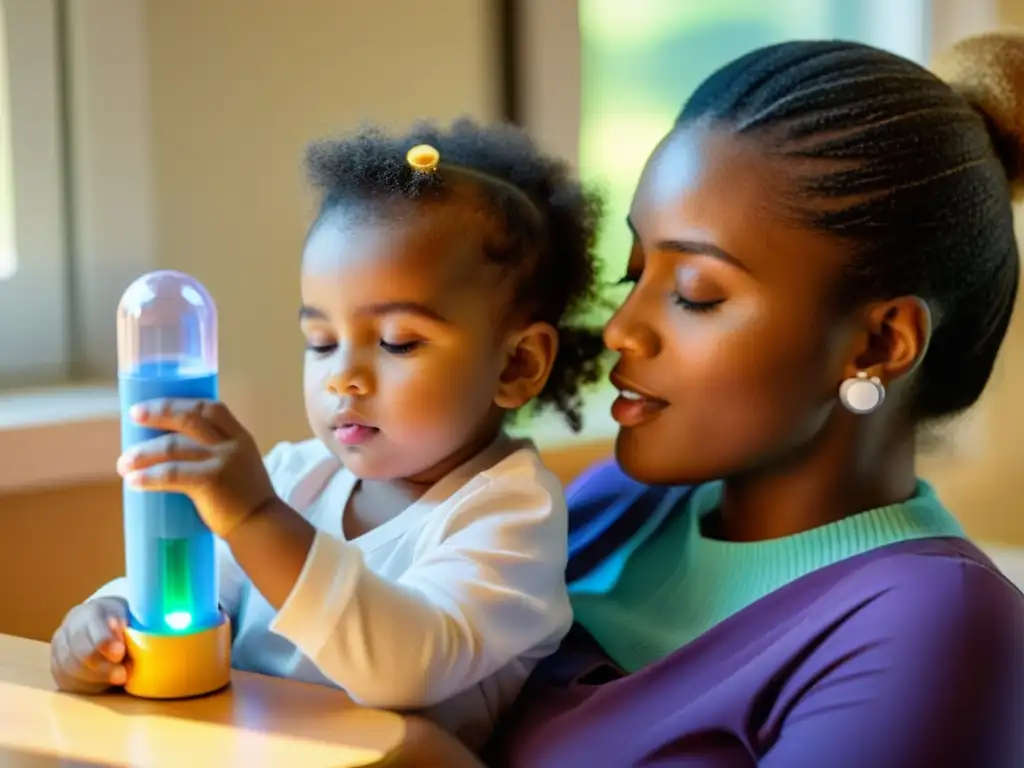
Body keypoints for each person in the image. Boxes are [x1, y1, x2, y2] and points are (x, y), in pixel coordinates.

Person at [399, 34, 1024, 767]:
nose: (622, 329)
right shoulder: (610, 508)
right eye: (635, 275)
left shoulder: (936, 629)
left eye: (696, 295)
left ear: (878, 345)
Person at [48, 118, 607, 750]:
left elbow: (407, 664)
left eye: (398, 342)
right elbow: (200, 590)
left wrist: (256, 517)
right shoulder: (296, 475)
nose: (345, 377)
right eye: (321, 342)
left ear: (516, 365)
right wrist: (112, 619)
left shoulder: (510, 513)